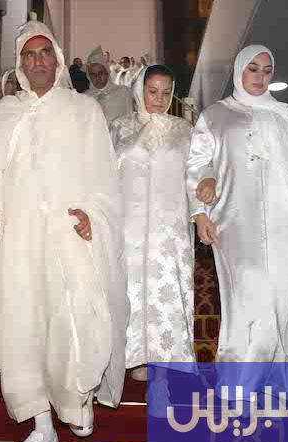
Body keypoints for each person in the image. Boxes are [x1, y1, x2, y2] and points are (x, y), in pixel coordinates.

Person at [0, 21, 127, 442]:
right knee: (23, 326)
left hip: (67, 231)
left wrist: (92, 215)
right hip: (18, 237)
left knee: (73, 317)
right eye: (29, 55)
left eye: (45, 52)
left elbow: (104, 174)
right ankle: (42, 427)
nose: (38, 61)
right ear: (20, 65)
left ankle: (77, 401)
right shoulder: (6, 113)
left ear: (58, 59)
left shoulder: (84, 109)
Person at [187, 45, 288, 393]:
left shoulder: (284, 116)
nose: (260, 77)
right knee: (249, 298)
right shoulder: (215, 116)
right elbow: (198, 163)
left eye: (267, 71)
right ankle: (238, 384)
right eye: (253, 69)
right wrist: (201, 206)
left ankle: (285, 382)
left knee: (285, 302)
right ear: (239, 70)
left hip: (283, 223)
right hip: (234, 222)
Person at [110, 65, 197, 410]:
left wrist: (201, 210)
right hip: (127, 229)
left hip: (169, 232)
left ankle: (160, 378)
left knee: (166, 300)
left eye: (165, 92)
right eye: (152, 91)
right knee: (129, 295)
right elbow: (104, 175)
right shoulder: (119, 127)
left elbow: (197, 174)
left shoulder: (184, 130)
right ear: (139, 90)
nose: (159, 99)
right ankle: (134, 357)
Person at [85, 46, 133, 126]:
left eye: (100, 73)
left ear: (107, 72)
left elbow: (130, 120)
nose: (97, 77)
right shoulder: (85, 97)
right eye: (93, 74)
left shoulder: (124, 92)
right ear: (89, 76)